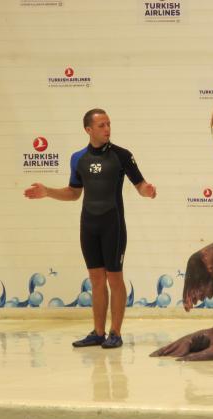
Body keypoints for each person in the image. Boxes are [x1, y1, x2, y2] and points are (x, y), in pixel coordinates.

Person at [24, 108, 156, 348]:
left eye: (108, 124)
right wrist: (47, 192)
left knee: (114, 278)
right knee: (96, 279)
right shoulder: (78, 158)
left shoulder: (121, 155)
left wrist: (147, 191)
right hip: (89, 224)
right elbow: (74, 193)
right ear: (88, 130)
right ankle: (98, 332)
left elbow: (140, 184)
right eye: (101, 125)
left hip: (113, 224)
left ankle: (115, 332)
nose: (107, 129)